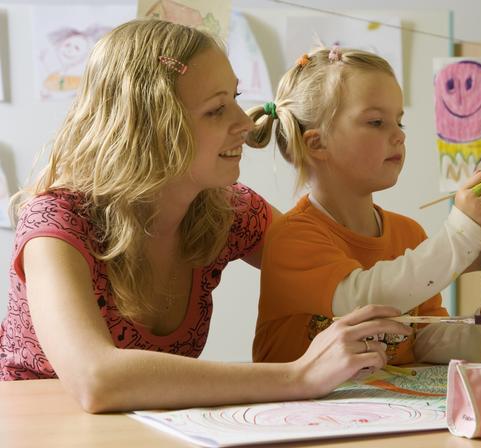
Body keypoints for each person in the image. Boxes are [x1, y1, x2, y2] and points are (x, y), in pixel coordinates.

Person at [0, 20, 413, 413]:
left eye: (235, 98)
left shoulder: (230, 212)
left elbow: (353, 280)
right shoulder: (56, 224)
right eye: (217, 110)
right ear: (153, 127)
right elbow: (96, 379)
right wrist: (297, 377)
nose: (244, 124)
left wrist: (470, 245)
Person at [248, 47, 481, 365]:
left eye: (399, 122)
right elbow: (367, 299)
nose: (398, 136)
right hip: (297, 411)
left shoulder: (408, 234)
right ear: (317, 143)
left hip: (386, 410)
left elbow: (421, 339)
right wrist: (461, 234)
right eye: (377, 122)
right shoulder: (292, 237)